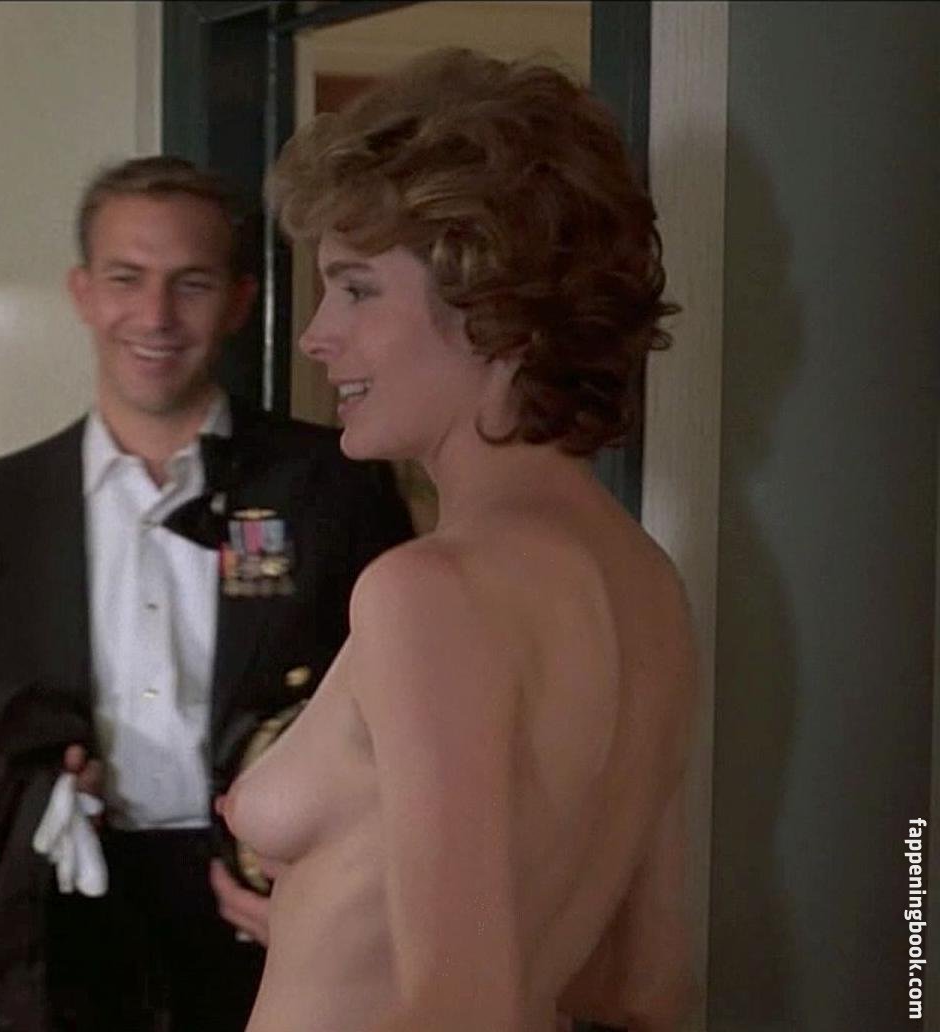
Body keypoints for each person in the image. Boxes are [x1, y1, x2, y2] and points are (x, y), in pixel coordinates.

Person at [222, 48, 697, 1032]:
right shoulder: (650, 585)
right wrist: (329, 931)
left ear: (493, 311)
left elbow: (461, 1011)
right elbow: (638, 986)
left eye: (357, 289)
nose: (315, 334)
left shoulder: (427, 590)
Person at [0, 155, 413, 1030]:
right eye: (126, 279)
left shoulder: (333, 485)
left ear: (239, 301)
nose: (154, 316)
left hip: (276, 917)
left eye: (191, 283)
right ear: (82, 292)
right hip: (60, 925)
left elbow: (403, 723)